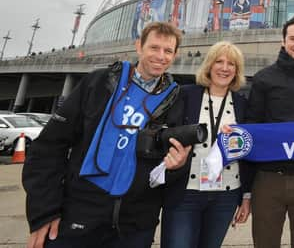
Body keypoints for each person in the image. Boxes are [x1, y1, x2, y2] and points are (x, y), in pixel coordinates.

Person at [22, 22, 191, 248]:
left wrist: (177, 166)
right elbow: (48, 148)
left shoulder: (176, 100)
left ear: (175, 55)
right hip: (80, 213)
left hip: (134, 224)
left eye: (168, 51)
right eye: (154, 48)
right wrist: (44, 212)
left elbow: (167, 173)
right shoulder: (99, 83)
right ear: (139, 47)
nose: (161, 56)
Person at [162, 41, 252, 248]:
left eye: (231, 64)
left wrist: (246, 196)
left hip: (226, 195)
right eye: (219, 61)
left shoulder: (242, 104)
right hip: (185, 192)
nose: (225, 68)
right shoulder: (185, 95)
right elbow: (166, 134)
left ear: (237, 71)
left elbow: (248, 153)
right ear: (209, 65)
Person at [246, 14, 294, 248]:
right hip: (269, 180)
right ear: (283, 41)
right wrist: (246, 190)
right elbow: (252, 130)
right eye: (293, 39)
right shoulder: (263, 79)